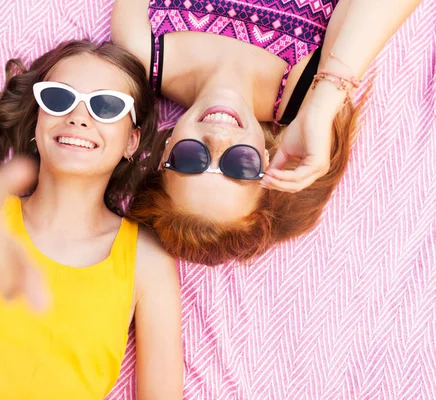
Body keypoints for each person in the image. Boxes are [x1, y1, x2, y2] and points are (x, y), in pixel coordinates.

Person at [0, 40, 183, 399]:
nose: (78, 116)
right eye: (59, 98)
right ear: (37, 120)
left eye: (106, 106)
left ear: (131, 141)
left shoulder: (147, 261)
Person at [111, 0, 422, 264]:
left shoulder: (142, 50)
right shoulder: (307, 88)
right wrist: (324, 103)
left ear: (165, 152)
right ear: (266, 159)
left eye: (193, 159)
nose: (218, 140)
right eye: (240, 165)